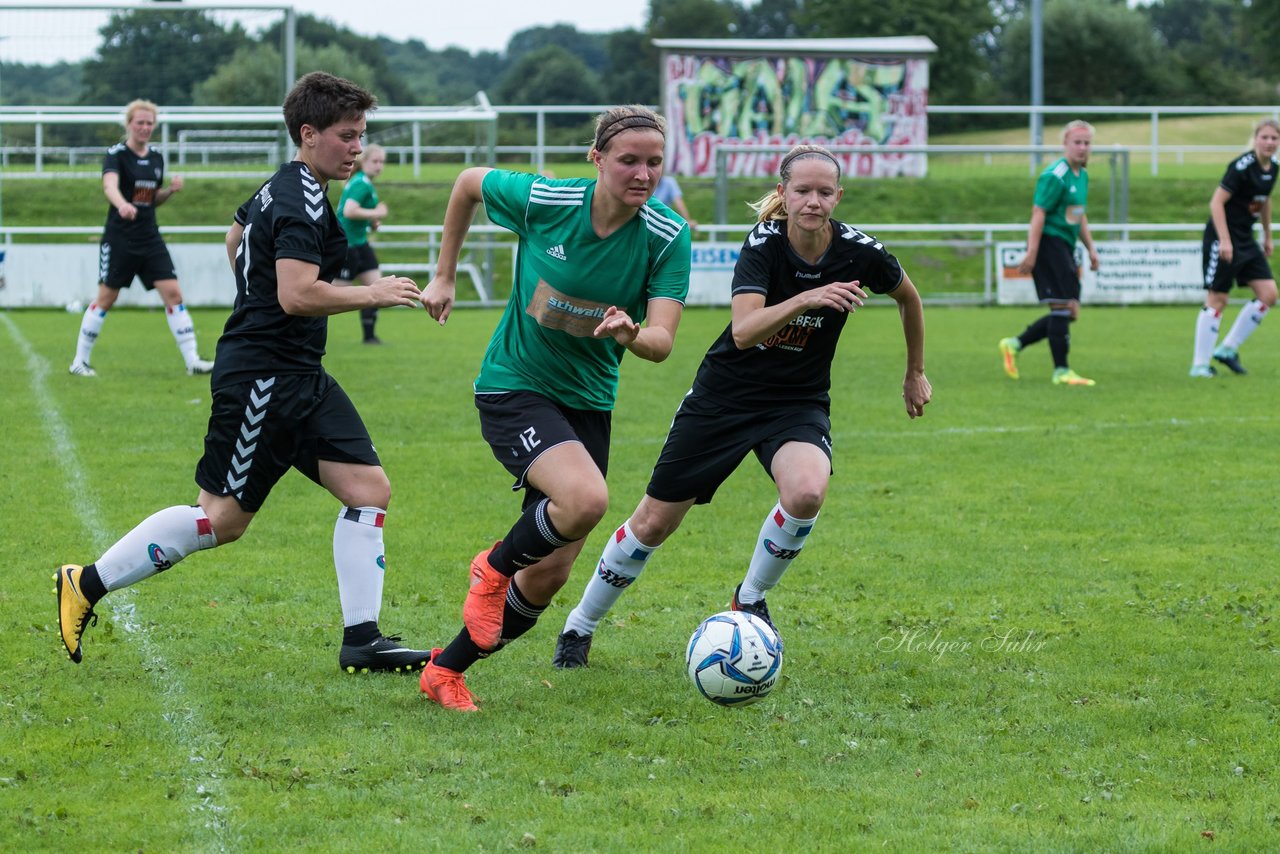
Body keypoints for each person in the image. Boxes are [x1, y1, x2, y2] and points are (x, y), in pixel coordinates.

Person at [55, 72, 432, 676]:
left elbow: (235, 239)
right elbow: (296, 295)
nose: (357, 147)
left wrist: (257, 297)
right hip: (263, 378)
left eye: (361, 135)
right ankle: (85, 582)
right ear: (309, 135)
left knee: (369, 491)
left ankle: (363, 638)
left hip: (299, 374)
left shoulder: (283, 185)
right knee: (220, 519)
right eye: (347, 135)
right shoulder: (301, 197)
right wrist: (372, 294)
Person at [551, 144, 932, 669]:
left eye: (825, 193)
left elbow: (910, 298)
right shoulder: (764, 245)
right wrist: (808, 297)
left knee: (806, 492)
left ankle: (749, 597)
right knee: (654, 523)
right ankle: (580, 626)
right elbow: (745, 331)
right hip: (724, 399)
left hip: (797, 401)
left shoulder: (860, 251)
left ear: (838, 197)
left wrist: (914, 372)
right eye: (802, 191)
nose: (813, 202)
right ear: (783, 194)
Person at [417, 105, 691, 711]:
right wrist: (444, 276)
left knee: (550, 575)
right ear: (596, 160)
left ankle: (446, 670)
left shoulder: (667, 235)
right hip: (514, 385)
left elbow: (663, 342)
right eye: (628, 160)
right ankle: (490, 570)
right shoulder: (547, 200)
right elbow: (467, 184)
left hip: (588, 402)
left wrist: (629, 334)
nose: (642, 173)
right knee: (585, 500)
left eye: (654, 161)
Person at [69, 99, 214, 377]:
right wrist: (122, 204)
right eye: (140, 123)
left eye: (149, 123)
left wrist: (169, 191)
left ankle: (192, 360)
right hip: (120, 238)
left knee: (174, 294)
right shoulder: (117, 154)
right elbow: (109, 186)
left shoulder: (157, 157)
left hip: (150, 237)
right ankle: (79, 362)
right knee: (106, 297)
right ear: (129, 124)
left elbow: (149, 199)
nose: (145, 128)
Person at [998, 120, 1100, 386]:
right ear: (1065, 144)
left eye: (1087, 143)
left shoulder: (1082, 175)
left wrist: (1091, 248)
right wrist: (1032, 252)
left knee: (1070, 310)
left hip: (1065, 245)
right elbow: (1038, 213)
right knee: (1061, 306)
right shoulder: (1054, 175)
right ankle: (1061, 371)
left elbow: (1079, 215)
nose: (1082, 147)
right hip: (1048, 244)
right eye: (1077, 142)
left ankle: (1014, 344)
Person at [1189, 118, 1279, 378]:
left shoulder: (1273, 168)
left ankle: (1228, 349)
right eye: (1265, 137)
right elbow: (1216, 203)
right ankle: (1199, 365)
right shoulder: (1241, 166)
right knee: (1218, 298)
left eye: (1274, 138)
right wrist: (1225, 240)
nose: (1270, 142)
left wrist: (1267, 235)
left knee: (1269, 293)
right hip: (1223, 237)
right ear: (1256, 138)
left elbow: (1264, 201)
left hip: (1246, 238)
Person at [337, 143, 390, 344]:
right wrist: (377, 213)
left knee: (376, 286)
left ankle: (369, 337)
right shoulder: (361, 183)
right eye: (375, 161)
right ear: (364, 161)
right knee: (333, 292)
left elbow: (356, 213)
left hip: (359, 243)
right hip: (346, 244)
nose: (379, 166)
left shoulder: (364, 182)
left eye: (382, 162)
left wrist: (372, 221)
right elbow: (349, 211)